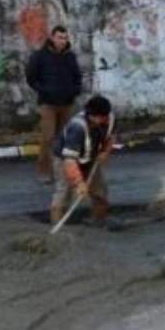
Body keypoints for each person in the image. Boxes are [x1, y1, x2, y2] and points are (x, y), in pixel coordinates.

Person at [50, 95, 118, 230]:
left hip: (90, 156)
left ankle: (97, 221)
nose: (96, 120)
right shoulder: (77, 128)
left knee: (100, 190)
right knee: (63, 192)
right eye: (94, 117)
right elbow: (69, 161)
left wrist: (105, 151)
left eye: (100, 118)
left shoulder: (110, 120)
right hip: (65, 158)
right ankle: (57, 225)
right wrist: (78, 183)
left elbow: (111, 137)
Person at [26, 26, 83, 183]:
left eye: (64, 38)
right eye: (59, 37)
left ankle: (61, 171)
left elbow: (77, 76)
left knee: (64, 138)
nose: (62, 41)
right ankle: (44, 171)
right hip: (48, 104)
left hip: (66, 103)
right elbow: (31, 76)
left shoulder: (70, 57)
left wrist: (74, 91)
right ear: (52, 37)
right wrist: (43, 91)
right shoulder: (40, 56)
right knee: (48, 137)